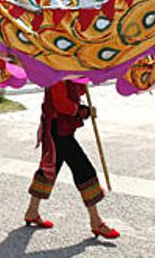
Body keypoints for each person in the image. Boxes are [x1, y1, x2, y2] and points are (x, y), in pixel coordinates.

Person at [22, 80, 119, 239]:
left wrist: (83, 81)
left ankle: (32, 211)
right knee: (84, 170)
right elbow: (62, 104)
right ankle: (96, 221)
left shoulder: (67, 72)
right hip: (59, 131)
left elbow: (76, 92)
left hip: (61, 129)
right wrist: (84, 112)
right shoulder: (56, 74)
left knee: (49, 170)